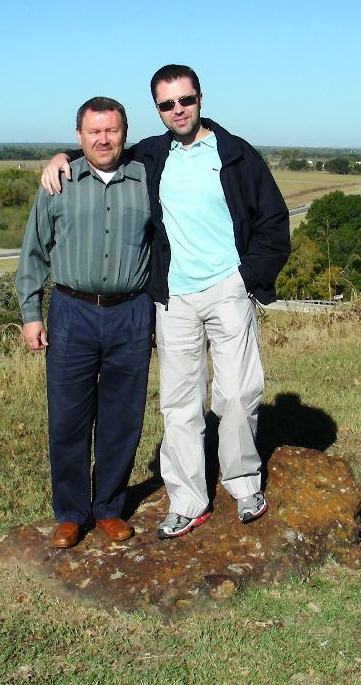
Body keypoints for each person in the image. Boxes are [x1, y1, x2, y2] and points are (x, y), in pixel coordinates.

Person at [40, 65, 290, 540]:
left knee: (238, 393)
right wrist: (62, 156)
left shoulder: (236, 154)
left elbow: (273, 222)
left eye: (185, 100)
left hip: (227, 289)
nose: (178, 110)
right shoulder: (154, 154)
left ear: (200, 99)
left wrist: (246, 278)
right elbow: (104, 151)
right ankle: (189, 500)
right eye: (167, 104)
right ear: (157, 110)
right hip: (173, 297)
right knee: (179, 402)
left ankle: (243, 484)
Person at [17, 96, 153, 549]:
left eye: (111, 130)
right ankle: (71, 514)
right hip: (71, 311)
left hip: (131, 312)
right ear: (79, 136)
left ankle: (109, 508)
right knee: (68, 418)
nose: (103, 139)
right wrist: (31, 313)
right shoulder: (59, 181)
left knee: (123, 417)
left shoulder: (147, 180)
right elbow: (34, 251)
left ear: (124, 132)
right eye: (94, 131)